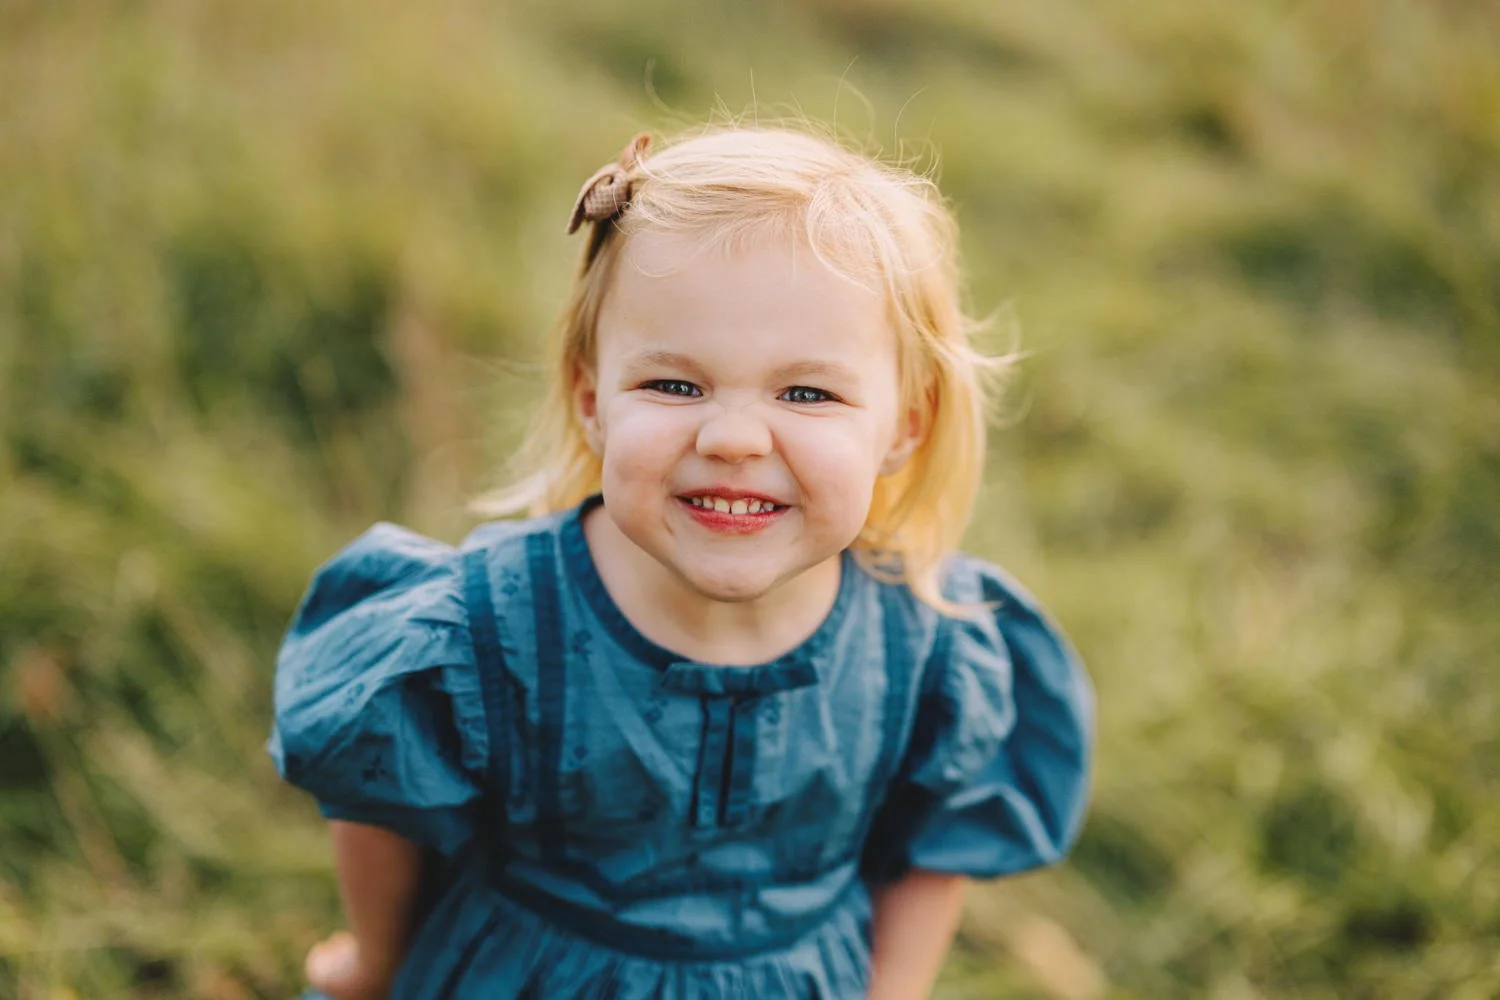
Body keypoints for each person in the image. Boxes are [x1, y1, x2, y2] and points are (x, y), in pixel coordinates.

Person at [269, 124, 1094, 1000]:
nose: (732, 437)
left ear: (903, 428)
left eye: (806, 393)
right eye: (674, 385)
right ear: (593, 403)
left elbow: (938, 841)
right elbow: (379, 803)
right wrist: (377, 967)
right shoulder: (484, 626)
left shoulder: (929, 642)